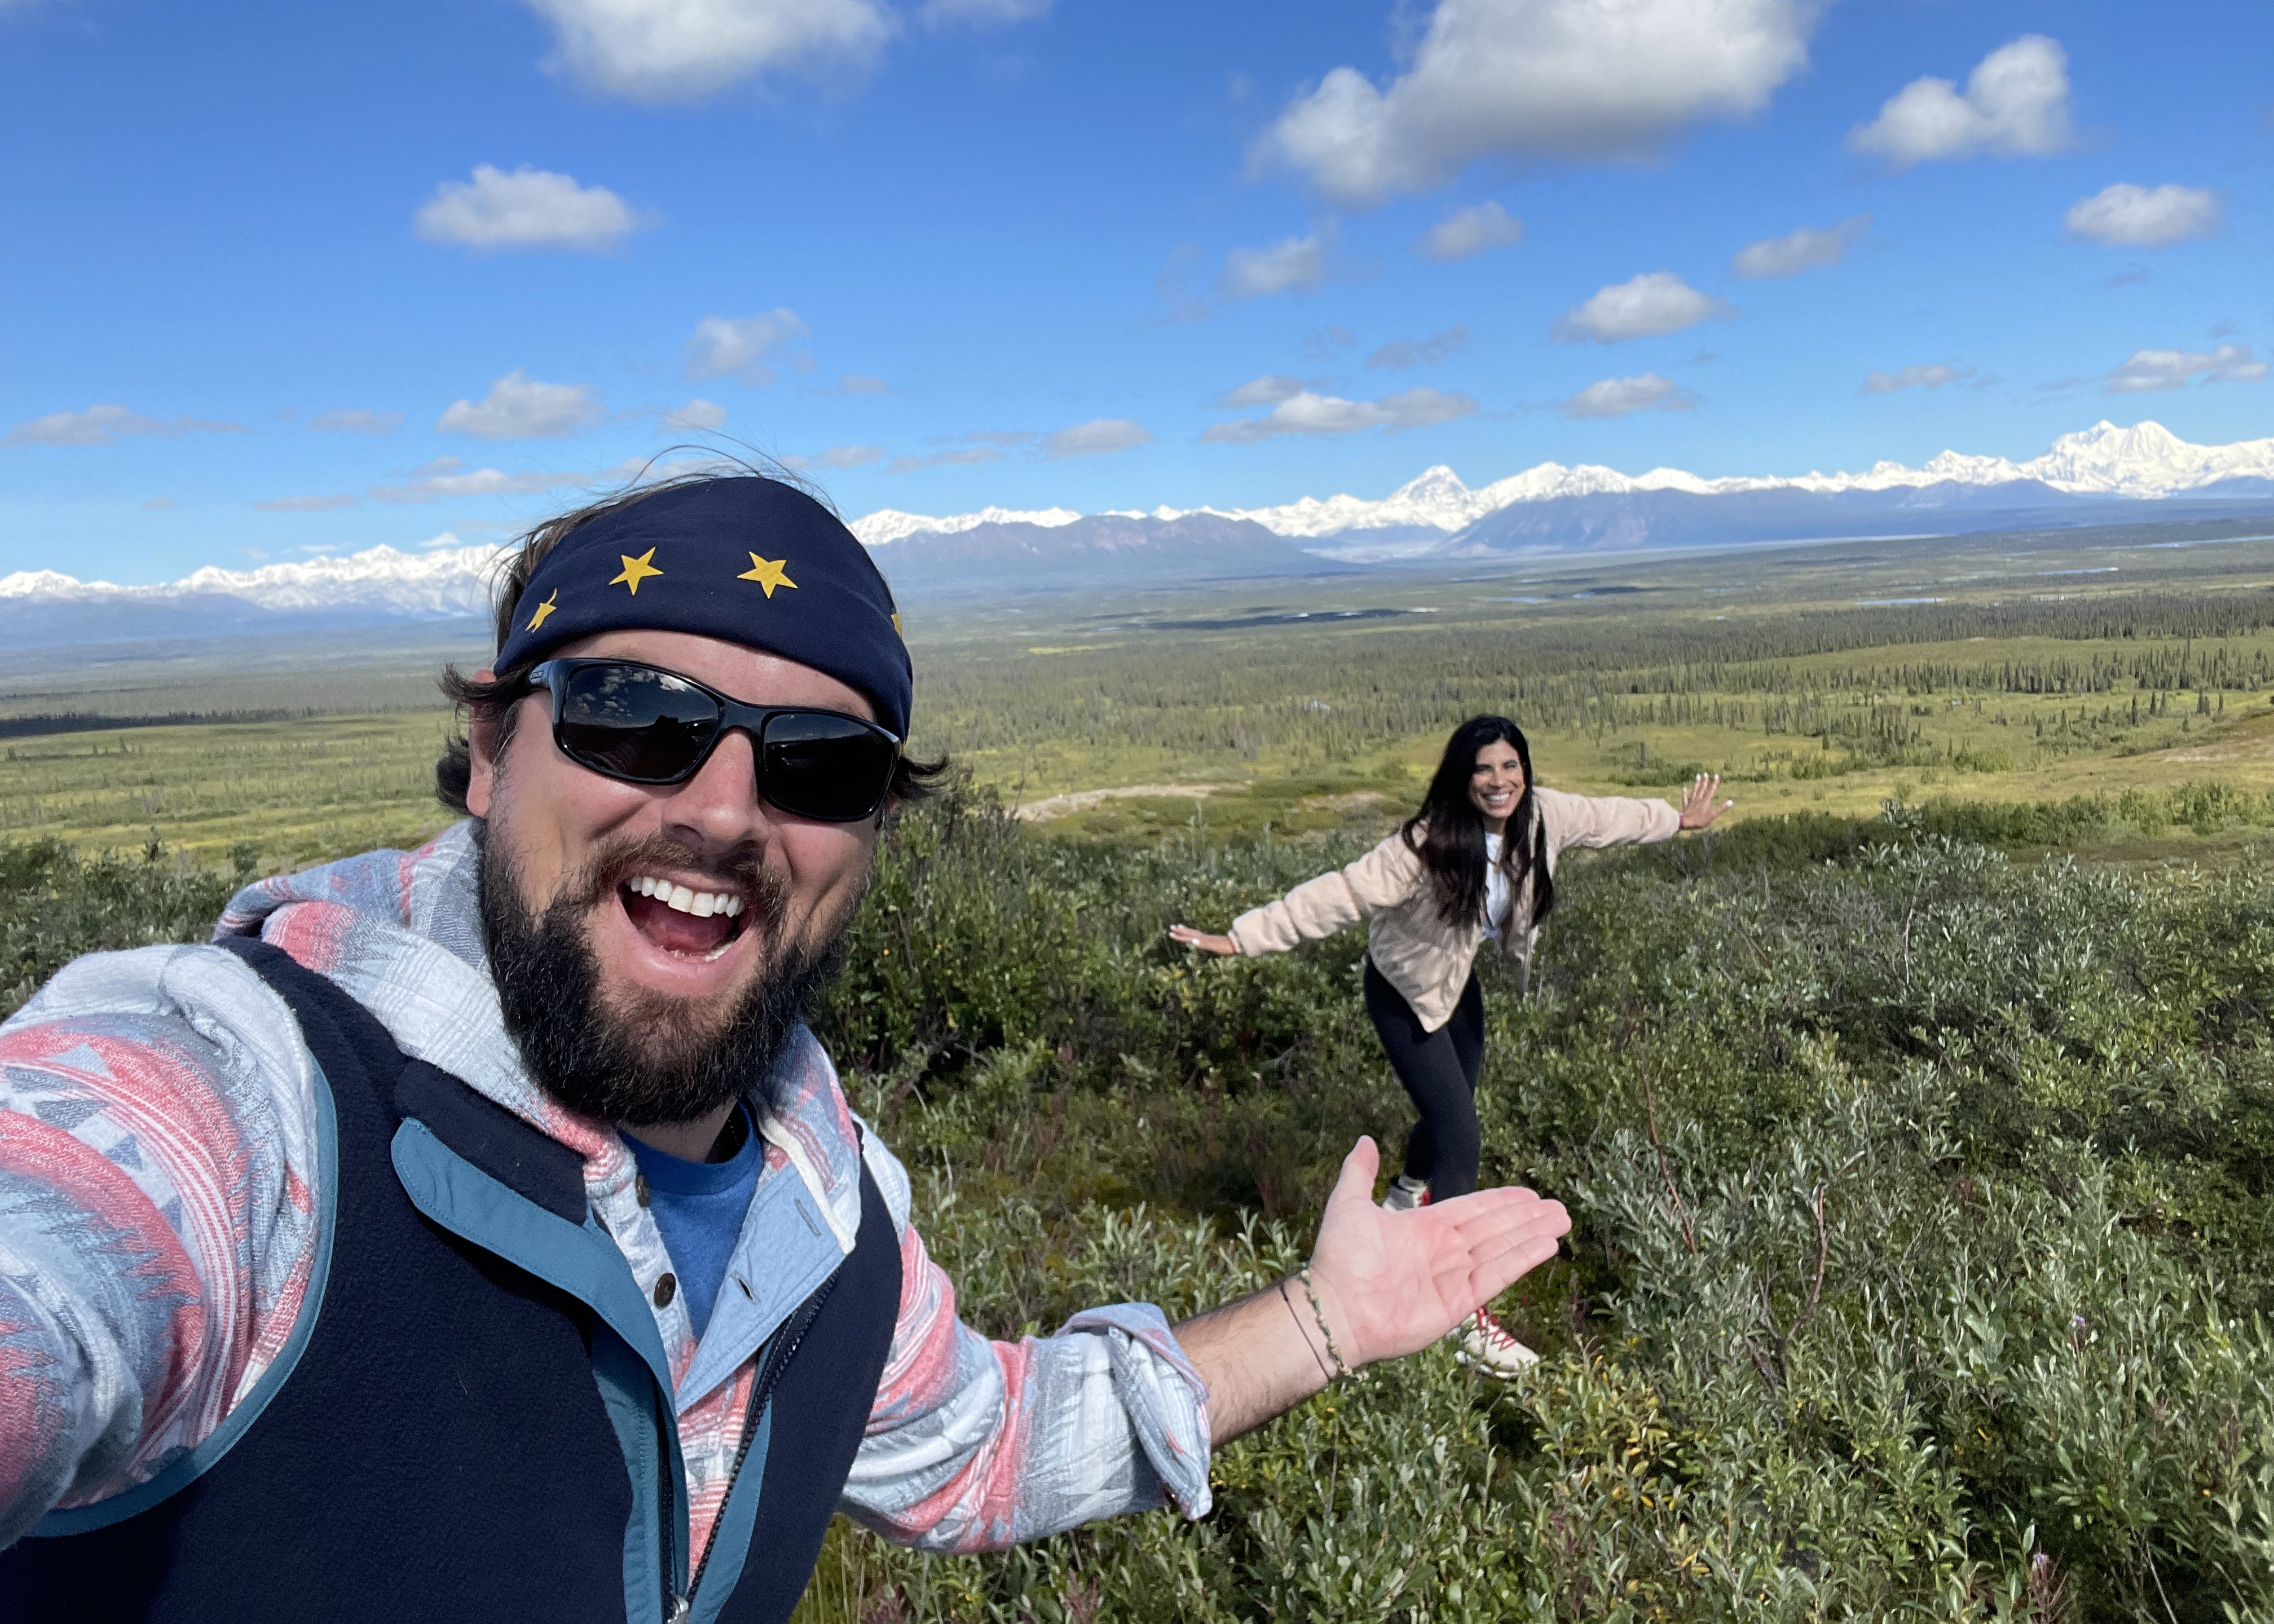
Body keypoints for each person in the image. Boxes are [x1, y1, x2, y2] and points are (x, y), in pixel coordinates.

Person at [0, 475, 1572, 1621]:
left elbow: (985, 1444)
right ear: (489, 749)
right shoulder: (241, 1104)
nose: (725, 810)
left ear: (876, 829)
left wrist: (1322, 1321)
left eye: (819, 764)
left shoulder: (826, 1215)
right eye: (633, 716)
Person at [1171, 715, 1726, 1378]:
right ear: (1462, 778)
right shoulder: (1424, 844)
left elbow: (1612, 817)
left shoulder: (1545, 817)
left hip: (1453, 986)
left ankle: (1406, 1195)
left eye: (1510, 766)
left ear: (1525, 770)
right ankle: (1463, 1316)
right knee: (1462, 1135)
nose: (1499, 782)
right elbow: (1342, 894)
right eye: (1483, 769)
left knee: (1451, 1106)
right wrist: (1243, 937)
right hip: (1403, 994)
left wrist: (1675, 819)